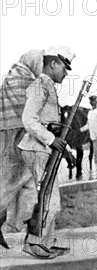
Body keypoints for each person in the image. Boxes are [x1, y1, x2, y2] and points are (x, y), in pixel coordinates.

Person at [17, 46, 75, 258]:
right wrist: (51, 140)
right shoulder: (40, 85)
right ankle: (34, 244)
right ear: (53, 64)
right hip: (37, 149)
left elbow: (51, 124)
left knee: (50, 197)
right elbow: (29, 120)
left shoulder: (47, 85)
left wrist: (64, 148)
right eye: (64, 67)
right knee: (45, 198)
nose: (66, 73)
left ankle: (45, 242)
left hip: (43, 149)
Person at [0, 49, 44, 249]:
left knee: (16, 185)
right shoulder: (25, 80)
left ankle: (31, 238)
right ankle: (32, 238)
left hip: (7, 136)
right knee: (15, 184)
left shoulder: (11, 76)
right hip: (19, 137)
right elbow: (30, 114)